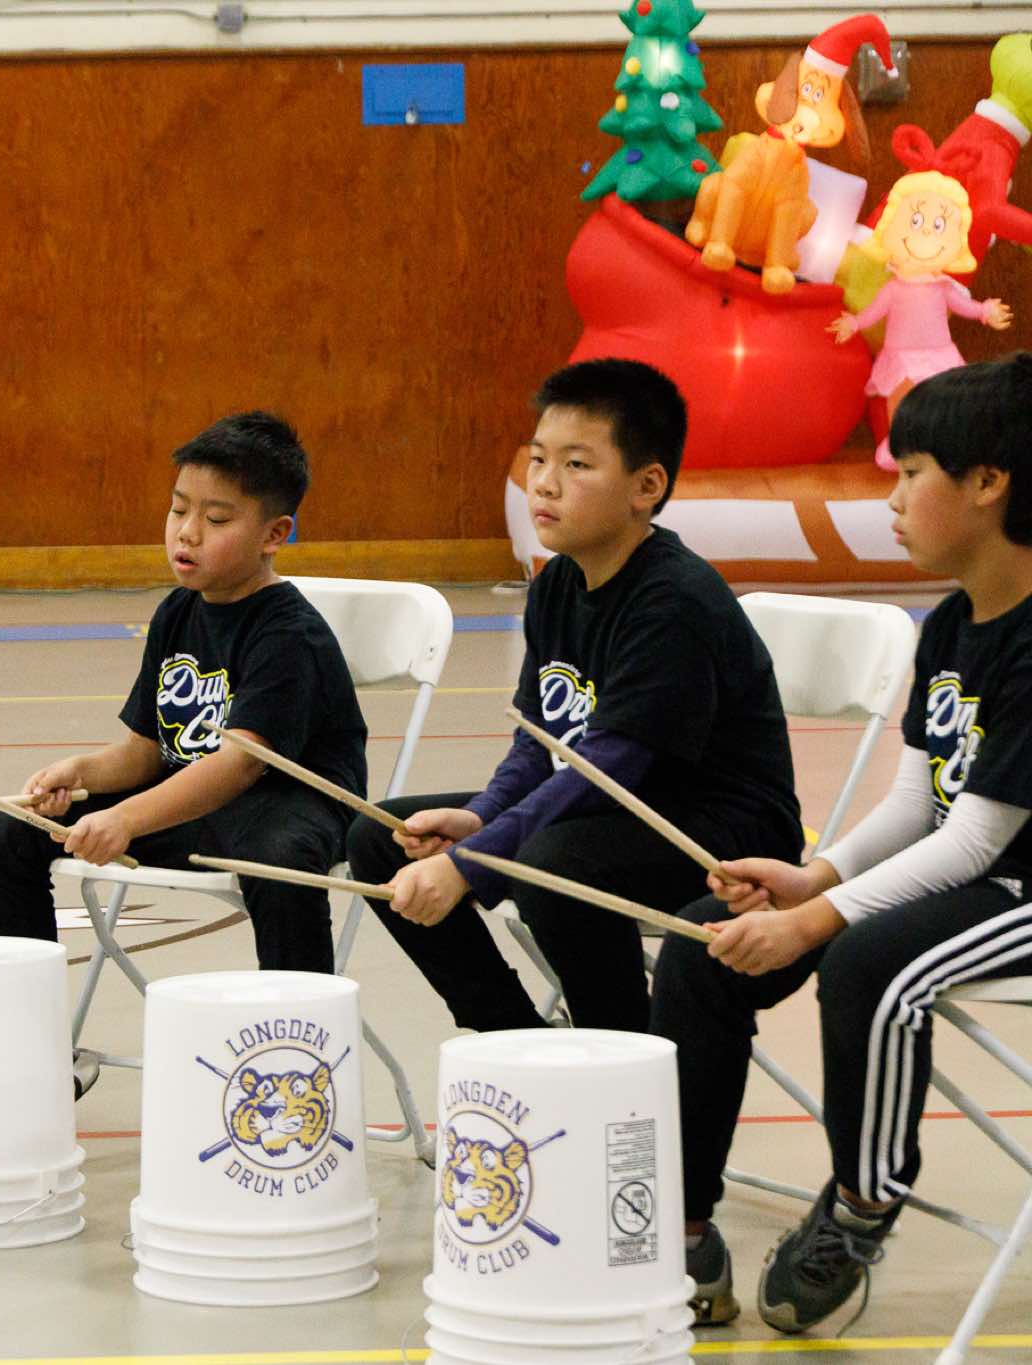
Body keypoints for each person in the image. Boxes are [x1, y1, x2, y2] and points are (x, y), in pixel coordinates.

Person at [652, 354, 1032, 1332]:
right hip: (972, 878)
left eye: (912, 474)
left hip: (1020, 889)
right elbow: (919, 801)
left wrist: (818, 917)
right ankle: (681, 1223)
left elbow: (976, 838)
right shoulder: (952, 623)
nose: (891, 499)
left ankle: (860, 1204)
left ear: (989, 482)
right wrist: (810, 877)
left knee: (869, 963)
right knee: (703, 947)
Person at [345, 358, 800, 1034]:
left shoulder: (674, 601)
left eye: (577, 464)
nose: (545, 483)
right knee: (384, 838)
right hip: (612, 812)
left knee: (551, 864)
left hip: (715, 835)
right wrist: (481, 818)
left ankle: (619, 1051)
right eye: (538, 459)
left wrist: (473, 862)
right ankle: (517, 1041)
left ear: (646, 485)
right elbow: (540, 742)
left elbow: (611, 768)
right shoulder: (558, 583)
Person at [0, 411, 366, 976]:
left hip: (284, 806)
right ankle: (21, 1016)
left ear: (274, 535)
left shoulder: (290, 634)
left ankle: (301, 1025)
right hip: (196, 804)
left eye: (216, 518)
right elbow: (145, 753)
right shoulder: (178, 611)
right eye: (179, 509)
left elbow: (239, 765)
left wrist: (127, 819)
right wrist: (80, 772)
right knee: (13, 829)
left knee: (280, 863)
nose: (187, 532)